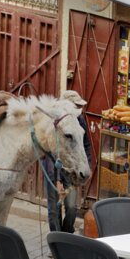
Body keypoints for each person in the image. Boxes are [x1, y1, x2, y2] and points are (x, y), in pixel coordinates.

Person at [44, 90, 92, 233]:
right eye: (76, 105)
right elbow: (51, 153)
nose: (79, 109)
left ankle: (67, 234)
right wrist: (57, 180)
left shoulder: (80, 120)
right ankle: (57, 241)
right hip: (54, 170)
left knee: (71, 207)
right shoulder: (54, 122)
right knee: (54, 209)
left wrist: (85, 166)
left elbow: (86, 145)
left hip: (71, 171)